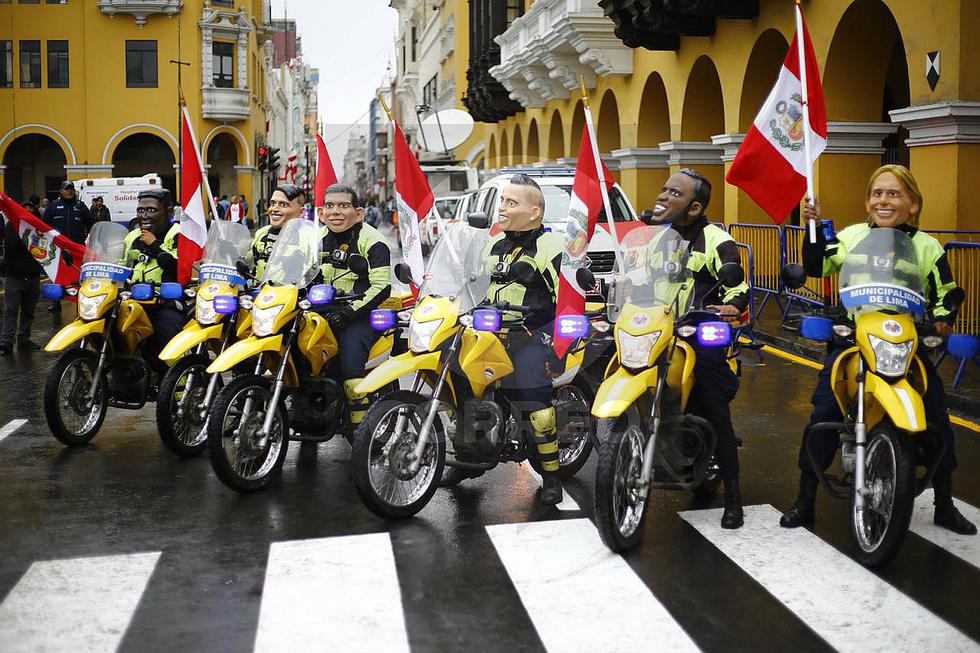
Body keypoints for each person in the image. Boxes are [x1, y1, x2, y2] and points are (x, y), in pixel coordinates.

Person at [780, 164, 976, 535]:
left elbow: (945, 293)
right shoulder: (851, 236)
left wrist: (941, 319)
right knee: (824, 410)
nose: (884, 200)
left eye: (894, 193)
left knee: (936, 414)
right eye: (877, 193)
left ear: (913, 204)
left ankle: (944, 504)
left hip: (906, 341)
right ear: (868, 201)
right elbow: (818, 265)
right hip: (854, 337)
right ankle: (805, 499)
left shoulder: (927, 246)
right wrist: (812, 229)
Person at [648, 168, 750, 529]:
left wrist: (732, 305)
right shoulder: (658, 240)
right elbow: (640, 283)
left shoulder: (717, 240)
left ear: (694, 208)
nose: (663, 196)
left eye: (674, 193)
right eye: (664, 189)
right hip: (659, 333)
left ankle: (733, 498)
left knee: (714, 408)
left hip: (698, 334)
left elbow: (738, 285)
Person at [478, 174, 566, 505]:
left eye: (510, 202)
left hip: (533, 334)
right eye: (502, 200)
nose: (501, 207)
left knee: (535, 403)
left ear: (534, 213)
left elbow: (566, 301)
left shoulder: (551, 246)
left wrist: (557, 348)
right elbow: (472, 286)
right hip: (491, 332)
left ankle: (552, 477)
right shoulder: (493, 245)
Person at [316, 183, 392, 432]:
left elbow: (382, 287)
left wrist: (349, 314)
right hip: (319, 311)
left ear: (358, 213)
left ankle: (363, 432)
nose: (335, 212)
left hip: (358, 315)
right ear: (321, 213)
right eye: (329, 206)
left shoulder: (374, 241)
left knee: (350, 369)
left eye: (343, 205)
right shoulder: (313, 240)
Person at [122, 188, 185, 372]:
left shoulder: (178, 234)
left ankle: (177, 381)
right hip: (133, 300)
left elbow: (178, 268)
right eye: (141, 210)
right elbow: (121, 265)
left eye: (151, 210)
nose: (144, 216)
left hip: (165, 301)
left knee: (169, 338)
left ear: (169, 211)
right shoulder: (132, 236)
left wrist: (154, 245)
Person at [0, 203, 44, 354]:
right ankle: (7, 341)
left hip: (32, 275)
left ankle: (24, 339)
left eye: (32, 212)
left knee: (29, 311)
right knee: (11, 310)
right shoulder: (12, 227)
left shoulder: (40, 230)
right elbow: (13, 244)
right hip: (14, 276)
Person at [43, 181, 92, 313]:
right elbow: (45, 227)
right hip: (58, 249)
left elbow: (91, 224)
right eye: (67, 189)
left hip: (77, 248)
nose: (69, 191)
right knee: (57, 275)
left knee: (79, 276)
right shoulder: (53, 206)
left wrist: (88, 238)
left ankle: (80, 301)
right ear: (61, 191)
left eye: (71, 189)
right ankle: (56, 301)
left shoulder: (81, 206)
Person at [250, 185, 305, 281]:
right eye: (272, 204)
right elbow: (249, 263)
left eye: (283, 205)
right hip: (259, 289)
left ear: (301, 212)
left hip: (292, 290)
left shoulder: (309, 237)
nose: (274, 209)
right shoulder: (261, 233)